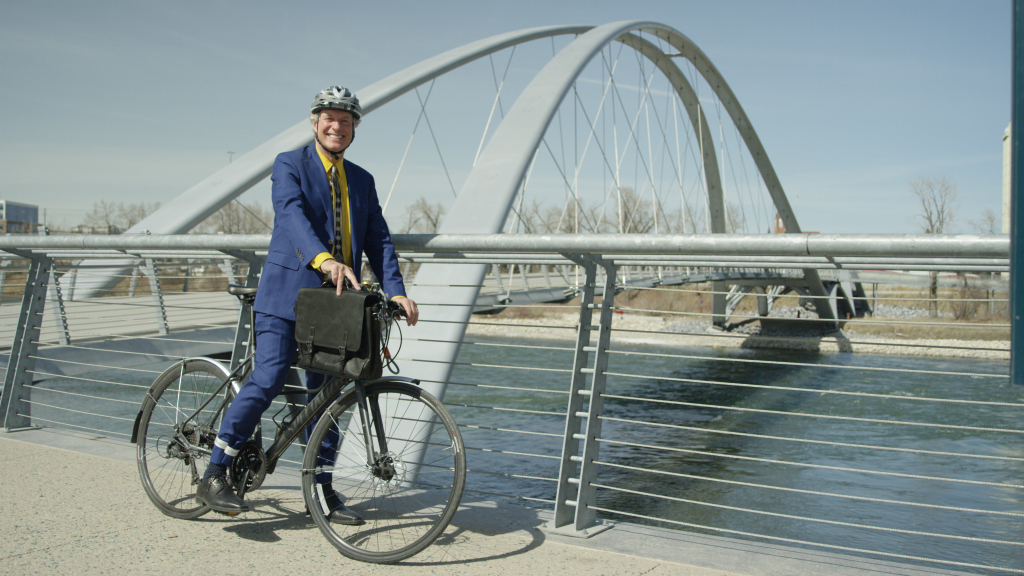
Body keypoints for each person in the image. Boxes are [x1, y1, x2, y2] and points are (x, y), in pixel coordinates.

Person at [197, 86, 419, 523]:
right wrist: (325, 260)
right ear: (315, 122)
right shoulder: (289, 164)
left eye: (347, 119)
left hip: (334, 305)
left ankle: (321, 489)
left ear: (355, 128)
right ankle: (215, 472)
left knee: (328, 395)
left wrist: (395, 289)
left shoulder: (362, 179)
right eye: (329, 118)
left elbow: (379, 240)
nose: (337, 126)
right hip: (285, 295)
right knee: (270, 377)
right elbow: (291, 214)